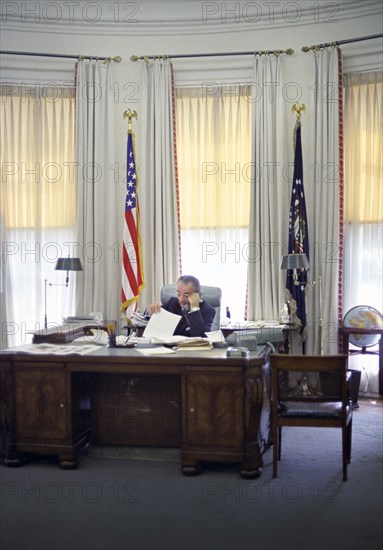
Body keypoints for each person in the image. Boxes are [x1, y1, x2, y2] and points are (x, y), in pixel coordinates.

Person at [147, 275, 215, 337]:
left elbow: (199, 337)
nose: (181, 300)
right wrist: (151, 310)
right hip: (168, 348)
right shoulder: (173, 303)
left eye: (186, 295)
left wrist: (194, 308)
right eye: (179, 294)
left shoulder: (207, 310)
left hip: (190, 349)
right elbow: (152, 317)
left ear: (197, 295)